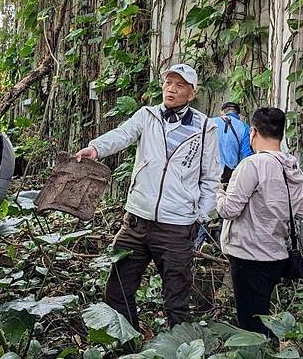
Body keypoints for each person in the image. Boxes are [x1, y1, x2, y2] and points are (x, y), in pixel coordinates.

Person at [76, 63, 220, 330]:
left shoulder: (205, 128)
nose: (171, 89)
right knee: (117, 289)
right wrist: (96, 149)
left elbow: (211, 177)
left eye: (179, 85)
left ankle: (177, 347)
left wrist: (200, 215)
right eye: (168, 83)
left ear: (191, 92)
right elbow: (122, 134)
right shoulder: (147, 115)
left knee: (176, 301)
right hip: (137, 222)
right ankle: (128, 343)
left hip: (176, 227)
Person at [217, 107, 303, 335]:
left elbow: (229, 210)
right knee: (265, 315)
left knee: (251, 324)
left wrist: (218, 192)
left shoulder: (252, 165)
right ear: (281, 134)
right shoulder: (293, 167)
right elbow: (299, 212)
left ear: (253, 132)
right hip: (277, 255)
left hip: (249, 256)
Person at [212, 102, 253, 185]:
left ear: (222, 112)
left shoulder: (209, 123)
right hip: (229, 177)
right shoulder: (244, 127)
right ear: (239, 115)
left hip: (208, 174)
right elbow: (247, 156)